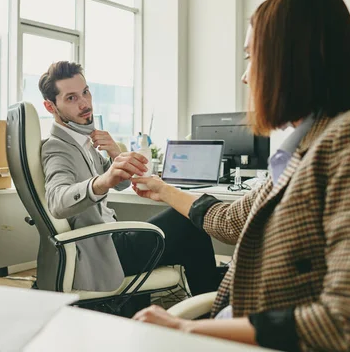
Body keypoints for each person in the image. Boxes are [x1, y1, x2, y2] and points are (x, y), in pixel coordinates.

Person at [131, 0, 350, 351]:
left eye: (250, 57)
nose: (245, 77)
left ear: (289, 60)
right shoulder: (300, 151)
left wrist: (187, 331)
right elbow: (230, 220)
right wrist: (161, 188)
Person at [39, 61, 222, 304]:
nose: (85, 103)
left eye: (85, 92)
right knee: (188, 219)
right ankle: (214, 307)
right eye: (71, 98)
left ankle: (210, 298)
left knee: (190, 232)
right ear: (51, 106)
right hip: (105, 251)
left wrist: (115, 152)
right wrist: (103, 180)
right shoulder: (57, 148)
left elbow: (121, 184)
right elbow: (57, 200)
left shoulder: (82, 139)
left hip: (113, 239)